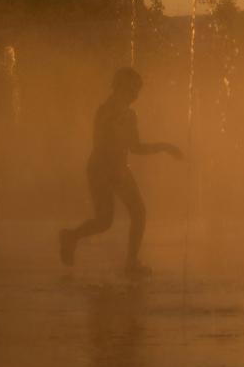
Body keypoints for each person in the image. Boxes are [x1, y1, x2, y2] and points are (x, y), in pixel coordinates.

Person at [59, 68, 183, 275]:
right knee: (117, 218)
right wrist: (113, 167)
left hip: (115, 168)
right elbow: (100, 142)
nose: (136, 94)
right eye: (134, 88)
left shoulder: (129, 114)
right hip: (102, 168)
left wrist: (165, 147)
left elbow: (135, 147)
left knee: (122, 216)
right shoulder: (107, 111)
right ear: (121, 87)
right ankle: (76, 239)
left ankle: (124, 259)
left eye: (138, 89)